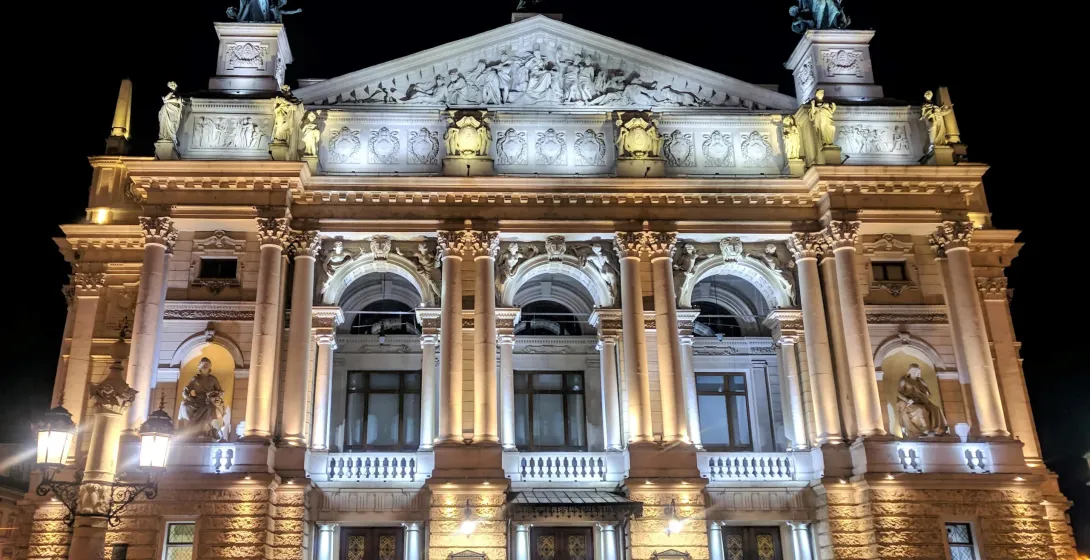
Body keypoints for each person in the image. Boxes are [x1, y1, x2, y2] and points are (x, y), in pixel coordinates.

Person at [896, 364, 948, 438]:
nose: (915, 372)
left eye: (917, 371)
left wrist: (928, 394)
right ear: (909, 371)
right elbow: (899, 393)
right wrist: (907, 400)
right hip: (909, 402)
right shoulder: (904, 380)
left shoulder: (921, 381)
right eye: (913, 370)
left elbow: (928, 392)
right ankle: (924, 430)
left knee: (936, 409)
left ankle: (937, 429)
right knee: (920, 409)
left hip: (922, 401)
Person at [182, 358, 227, 440]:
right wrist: (188, 397)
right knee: (185, 406)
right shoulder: (195, 379)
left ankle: (209, 430)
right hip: (197, 400)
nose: (205, 366)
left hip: (209, 401)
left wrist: (213, 393)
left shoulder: (213, 379)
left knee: (209, 408)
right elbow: (186, 391)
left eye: (207, 365)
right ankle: (190, 428)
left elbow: (220, 392)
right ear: (199, 367)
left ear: (210, 367)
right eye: (203, 364)